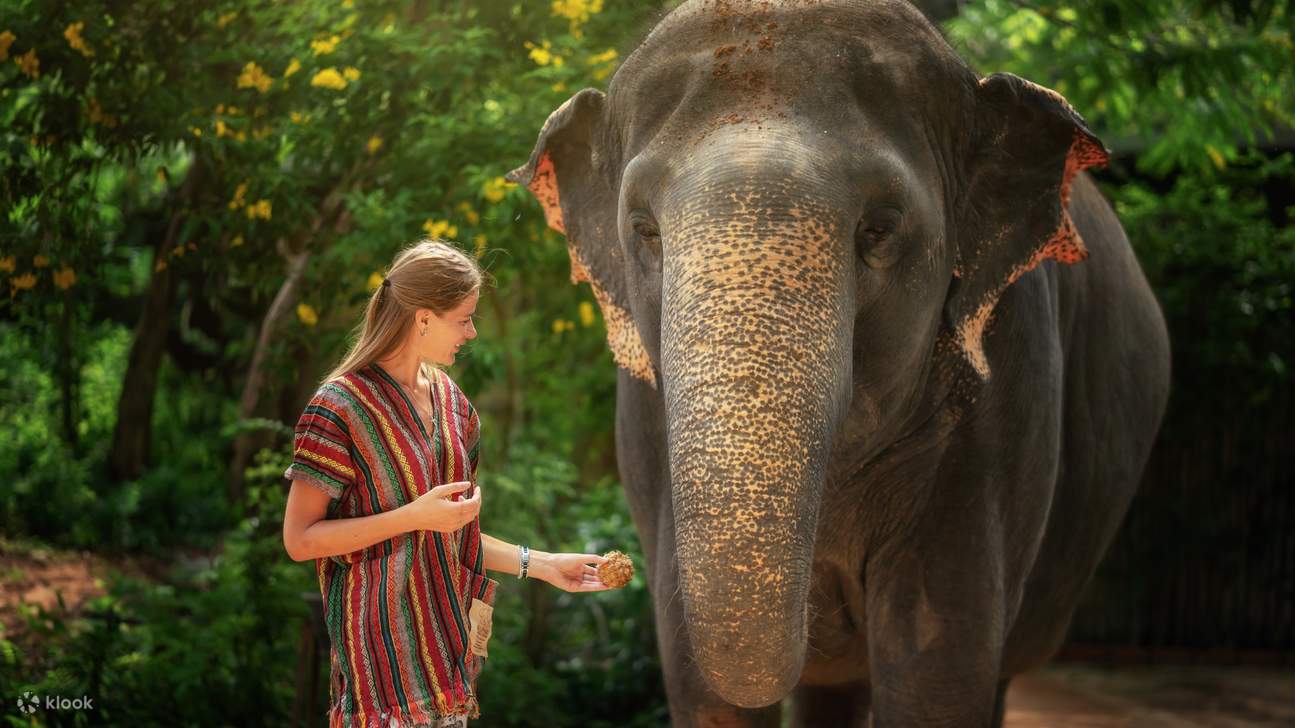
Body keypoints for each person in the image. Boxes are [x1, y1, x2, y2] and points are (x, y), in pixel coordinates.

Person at [282, 240, 612, 728]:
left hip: (447, 668)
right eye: (463, 318)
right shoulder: (337, 408)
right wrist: (413, 517)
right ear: (422, 318)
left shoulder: (452, 402)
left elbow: (456, 532)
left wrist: (544, 565)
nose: (473, 331)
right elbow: (299, 540)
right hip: (382, 680)